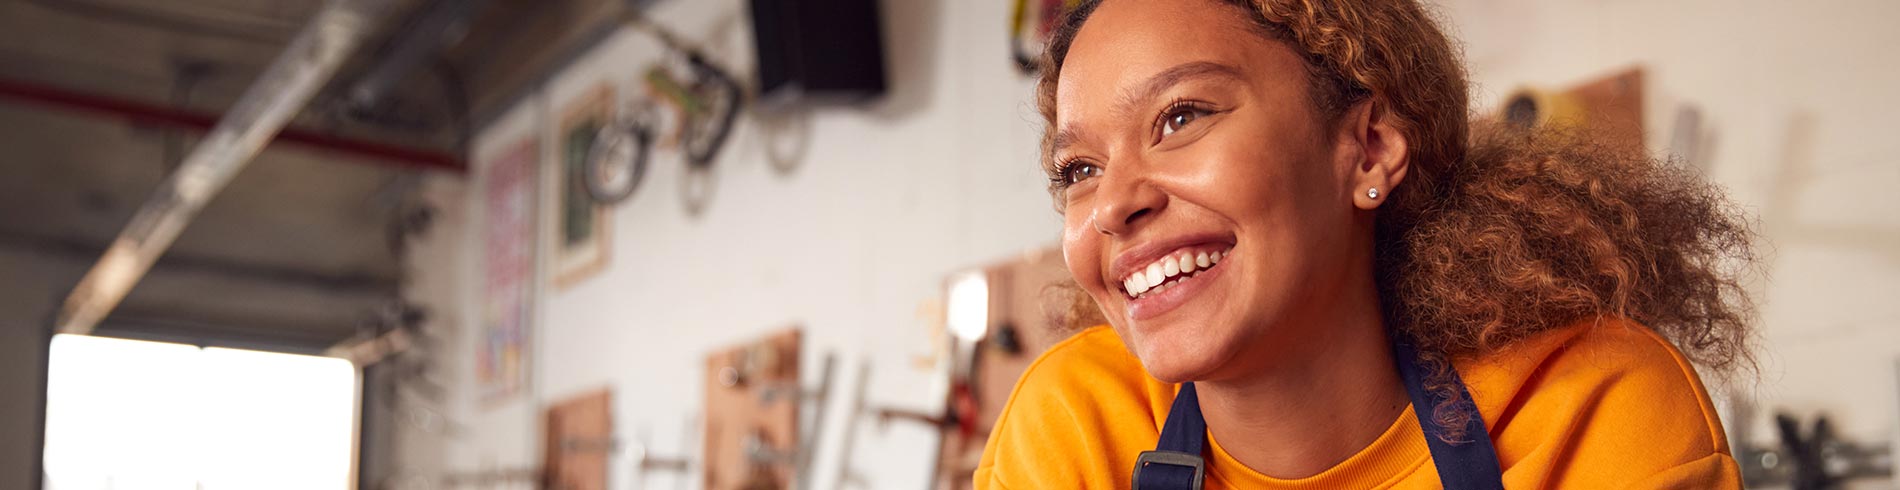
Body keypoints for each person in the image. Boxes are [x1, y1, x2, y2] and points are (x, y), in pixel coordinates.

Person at [974, 0, 1758, 488]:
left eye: (1181, 117)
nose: (1113, 202)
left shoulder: (1586, 405)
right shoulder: (1076, 424)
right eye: (1078, 168)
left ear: (1371, 149)